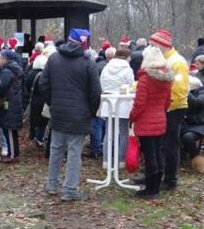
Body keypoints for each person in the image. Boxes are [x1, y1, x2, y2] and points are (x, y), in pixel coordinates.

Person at [39, 28, 102, 201]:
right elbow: (95, 92)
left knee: (56, 149)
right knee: (74, 153)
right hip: (80, 114)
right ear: (84, 43)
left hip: (59, 112)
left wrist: (53, 102)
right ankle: (69, 189)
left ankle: (52, 185)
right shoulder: (88, 63)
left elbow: (43, 84)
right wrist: (91, 111)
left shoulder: (53, 59)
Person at [146, 30, 189, 191]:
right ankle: (154, 174)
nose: (150, 48)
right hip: (163, 106)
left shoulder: (176, 62)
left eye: (152, 45)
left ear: (161, 45)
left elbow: (179, 89)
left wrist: (165, 104)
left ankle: (170, 179)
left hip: (174, 108)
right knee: (159, 144)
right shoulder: (164, 60)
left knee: (170, 145)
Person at [129, 47, 174, 199]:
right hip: (160, 119)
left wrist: (132, 117)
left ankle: (151, 189)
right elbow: (167, 102)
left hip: (146, 121)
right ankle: (156, 186)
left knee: (149, 155)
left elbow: (139, 104)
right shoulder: (167, 78)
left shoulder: (145, 79)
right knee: (157, 154)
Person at [98, 48, 135, 167]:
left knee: (108, 132)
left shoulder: (106, 67)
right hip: (122, 102)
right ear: (127, 57)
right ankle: (121, 160)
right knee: (123, 132)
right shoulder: (127, 69)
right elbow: (131, 85)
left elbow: (102, 83)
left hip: (108, 101)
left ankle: (106, 160)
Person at [0, 50, 24, 163]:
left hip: (9, 103)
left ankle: (13, 155)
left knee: (9, 130)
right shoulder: (13, 70)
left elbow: (1, 88)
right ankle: (13, 153)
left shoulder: (7, 72)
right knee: (10, 130)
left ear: (5, 58)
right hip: (13, 102)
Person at [181, 77, 204, 162]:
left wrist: (186, 92)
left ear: (194, 86)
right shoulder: (191, 93)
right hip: (192, 124)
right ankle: (182, 158)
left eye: (188, 85)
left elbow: (197, 102)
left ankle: (195, 158)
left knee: (188, 137)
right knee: (175, 134)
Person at [26, 54, 49, 147]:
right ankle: (39, 138)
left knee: (33, 118)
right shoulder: (45, 75)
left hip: (33, 99)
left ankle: (33, 134)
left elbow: (27, 86)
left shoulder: (30, 73)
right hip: (43, 100)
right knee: (42, 121)